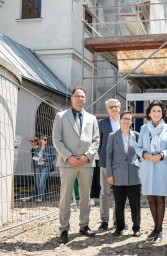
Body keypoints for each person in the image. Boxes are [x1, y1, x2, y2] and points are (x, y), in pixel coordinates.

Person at [52, 87, 100, 244]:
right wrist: (69, 157)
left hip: (86, 163)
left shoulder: (92, 118)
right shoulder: (61, 116)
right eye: (77, 96)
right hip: (68, 163)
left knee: (85, 196)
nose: (80, 99)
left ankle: (84, 225)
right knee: (65, 196)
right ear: (71, 98)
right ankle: (64, 229)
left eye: (82, 96)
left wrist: (87, 156)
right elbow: (57, 139)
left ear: (85, 99)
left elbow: (96, 140)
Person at [136, 100, 167, 243]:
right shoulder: (144, 129)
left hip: (161, 166)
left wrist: (162, 154)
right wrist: (145, 154)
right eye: (153, 111)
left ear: (162, 113)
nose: (156, 113)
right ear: (149, 113)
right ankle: (155, 228)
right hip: (147, 166)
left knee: (160, 198)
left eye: (159, 110)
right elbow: (138, 148)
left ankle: (159, 229)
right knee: (150, 197)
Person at [106, 111, 141, 237]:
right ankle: (119, 227)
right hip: (118, 174)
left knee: (135, 204)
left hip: (134, 174)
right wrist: (109, 174)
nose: (126, 121)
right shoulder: (112, 136)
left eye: (129, 119)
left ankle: (136, 227)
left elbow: (141, 154)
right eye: (124, 118)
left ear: (131, 122)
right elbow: (108, 155)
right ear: (120, 120)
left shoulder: (136, 135)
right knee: (119, 203)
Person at [97, 98, 121, 230]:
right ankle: (104, 220)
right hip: (106, 162)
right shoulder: (103, 123)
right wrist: (102, 156)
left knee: (119, 192)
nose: (113, 109)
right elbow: (99, 142)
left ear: (119, 107)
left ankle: (118, 219)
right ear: (107, 109)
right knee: (105, 192)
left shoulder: (125, 121)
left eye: (116, 106)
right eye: (111, 107)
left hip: (121, 163)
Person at [33, 135, 56, 202]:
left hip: (46, 166)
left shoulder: (50, 148)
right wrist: (39, 159)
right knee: (38, 182)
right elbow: (34, 157)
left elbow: (53, 157)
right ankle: (41, 196)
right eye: (44, 139)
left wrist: (44, 159)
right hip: (38, 166)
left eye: (47, 139)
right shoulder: (37, 149)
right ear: (41, 140)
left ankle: (40, 197)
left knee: (42, 181)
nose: (46, 141)